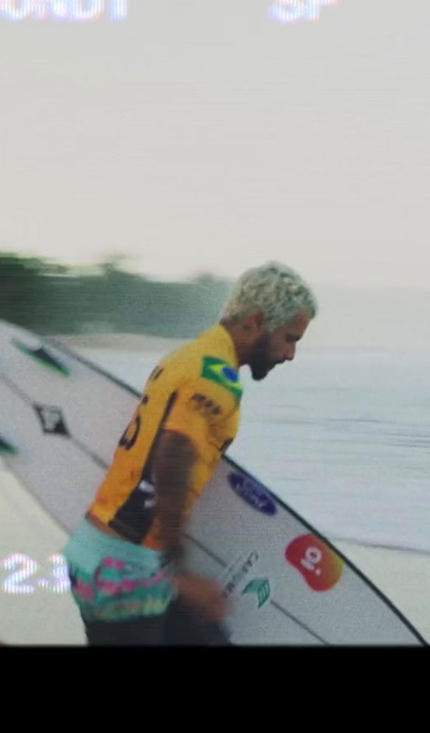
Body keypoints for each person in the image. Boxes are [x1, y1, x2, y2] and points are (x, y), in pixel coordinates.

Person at [60, 261, 316, 645]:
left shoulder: (192, 356)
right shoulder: (216, 378)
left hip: (113, 557)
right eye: (289, 338)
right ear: (257, 322)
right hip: (125, 568)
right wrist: (179, 573)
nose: (290, 353)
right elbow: (171, 456)